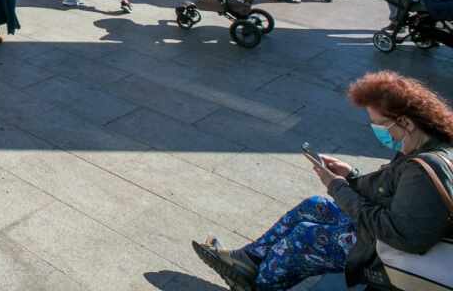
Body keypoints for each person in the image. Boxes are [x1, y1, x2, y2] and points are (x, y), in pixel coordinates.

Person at [193, 70, 453, 291]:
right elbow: (387, 192)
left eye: (380, 125)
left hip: (392, 254)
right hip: (388, 232)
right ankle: (246, 260)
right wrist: (350, 177)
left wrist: (337, 187)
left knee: (307, 236)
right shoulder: (424, 144)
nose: (377, 131)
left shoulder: (423, 171)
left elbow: (403, 237)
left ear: (405, 122)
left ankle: (259, 285)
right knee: (315, 205)